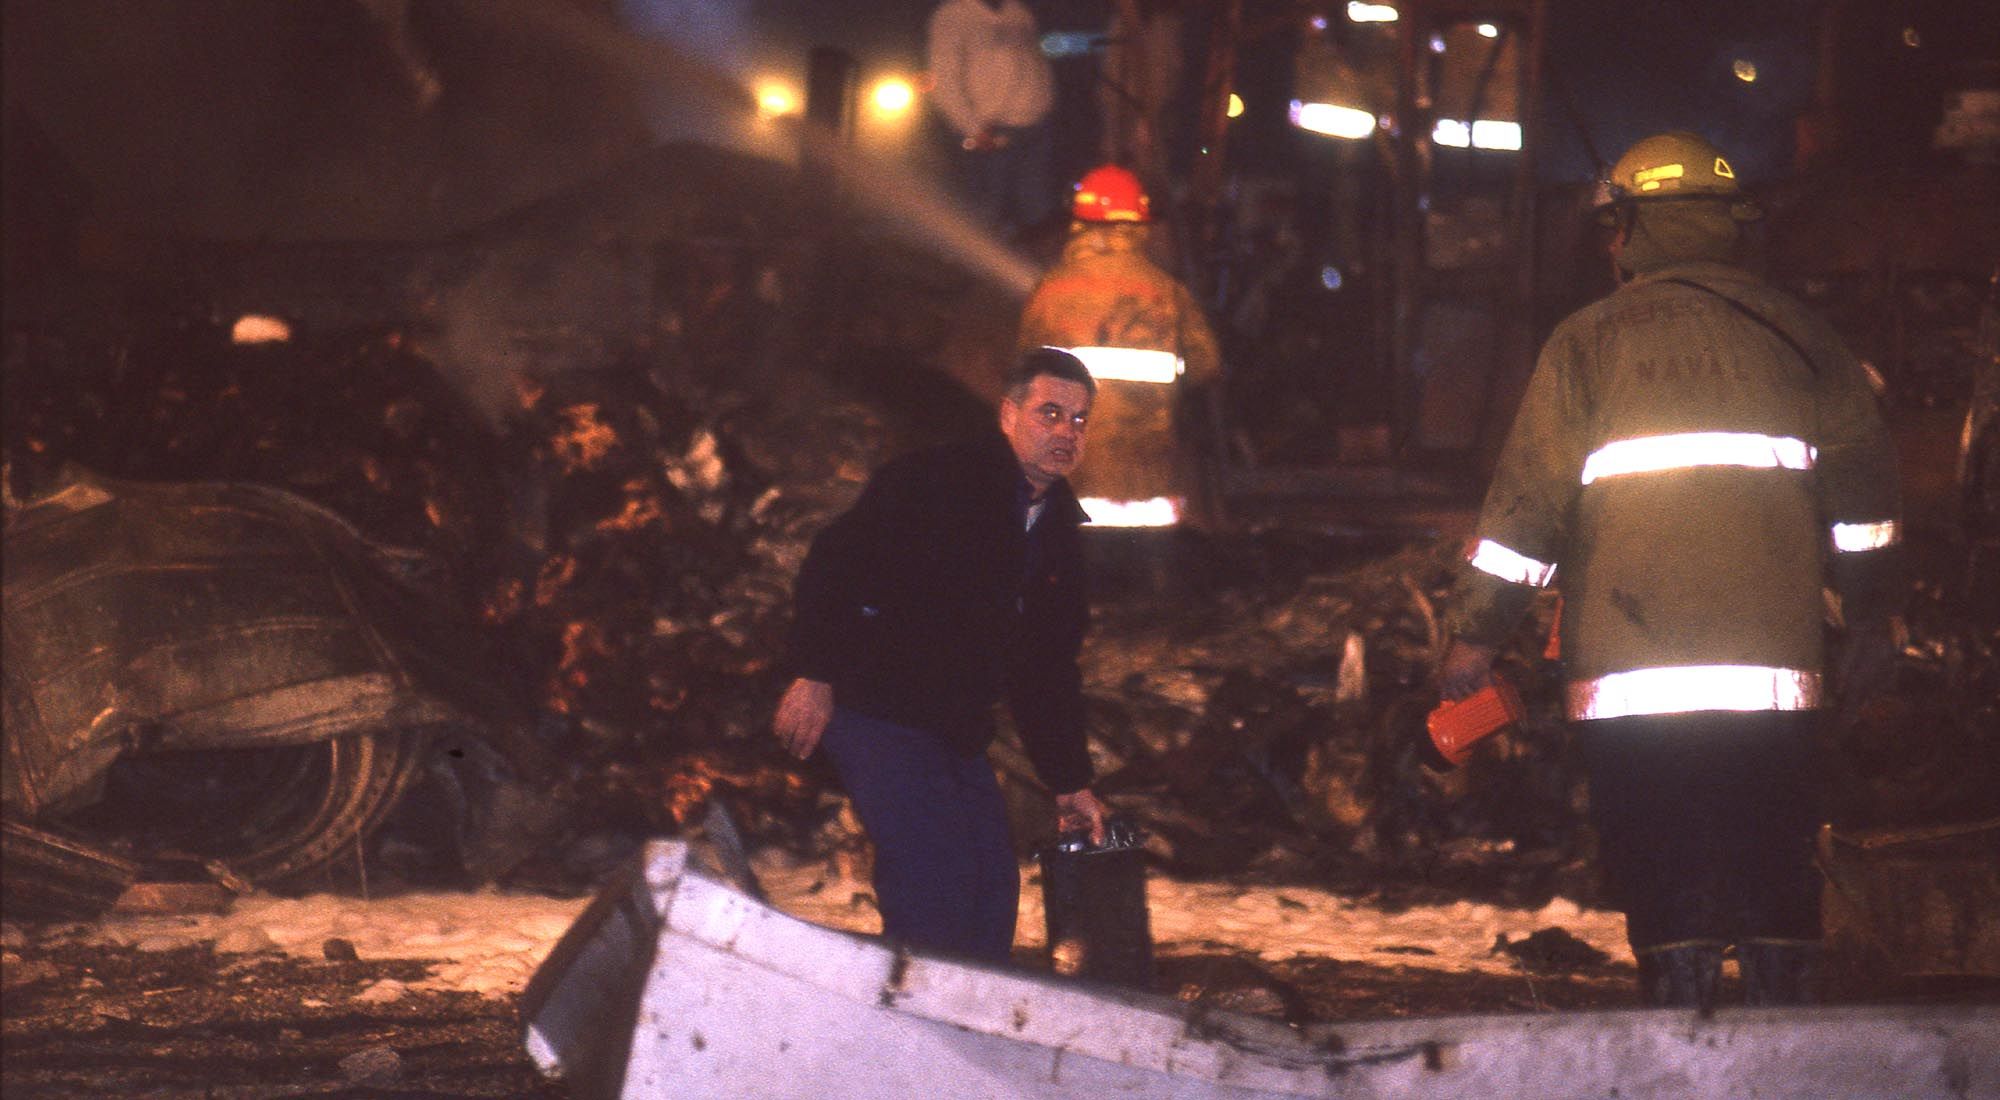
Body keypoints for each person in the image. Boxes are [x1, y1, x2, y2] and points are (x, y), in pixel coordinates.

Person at [1435, 132, 1903, 1009]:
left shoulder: (1585, 344)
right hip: (1775, 676)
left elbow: (1524, 512)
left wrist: (1474, 641)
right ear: (1726, 224)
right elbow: (1868, 508)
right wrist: (1875, 620)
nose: (1611, 247)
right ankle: (1788, 1035)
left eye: (1616, 229)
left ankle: (1679, 1031)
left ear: (1638, 228)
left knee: (1659, 855)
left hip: (1631, 680)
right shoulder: (1804, 340)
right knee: (1775, 850)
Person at [773, 348, 1109, 963]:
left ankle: (966, 1034)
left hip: (954, 729)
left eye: (1080, 420)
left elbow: (1047, 670)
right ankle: (912, 1033)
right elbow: (835, 563)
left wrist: (1069, 781)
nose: (1066, 431)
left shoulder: (1057, 532)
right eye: (1050, 413)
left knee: (990, 885)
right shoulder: (935, 481)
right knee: (935, 877)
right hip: (877, 709)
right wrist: (814, 673)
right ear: (1009, 415)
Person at [1017, 164, 1223, 531]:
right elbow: (1206, 364)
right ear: (1139, 225)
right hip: (1149, 497)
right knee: (1151, 583)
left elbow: (1022, 374)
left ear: (1079, 223)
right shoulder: (1167, 292)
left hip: (1071, 492)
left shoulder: (1049, 293)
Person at [926, 0, 1058, 236]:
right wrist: (972, 128)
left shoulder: (1018, 12)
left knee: (1037, 211)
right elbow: (944, 79)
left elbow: (1035, 62)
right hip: (991, 129)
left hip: (1034, 125)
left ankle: (1039, 264)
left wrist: (1043, 105)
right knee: (986, 213)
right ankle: (972, 269)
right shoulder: (954, 15)